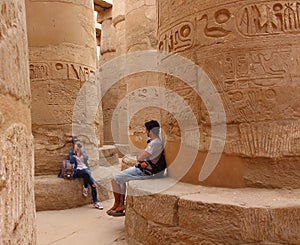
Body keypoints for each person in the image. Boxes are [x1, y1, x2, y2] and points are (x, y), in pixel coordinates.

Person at [107, 120, 165, 216]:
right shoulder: (157, 142)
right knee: (121, 179)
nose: (146, 132)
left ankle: (117, 203)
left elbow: (141, 158)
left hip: (144, 171)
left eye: (146, 130)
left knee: (114, 180)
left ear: (150, 131)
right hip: (145, 169)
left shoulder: (154, 143)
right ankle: (121, 204)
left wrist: (141, 160)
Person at [69, 137, 103, 210]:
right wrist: (74, 153)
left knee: (94, 185)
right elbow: (71, 161)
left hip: (85, 170)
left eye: (78, 143)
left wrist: (81, 153)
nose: (77, 145)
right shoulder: (71, 152)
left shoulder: (83, 150)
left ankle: (96, 202)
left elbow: (86, 158)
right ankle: (85, 187)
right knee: (86, 173)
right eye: (76, 143)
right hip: (78, 171)